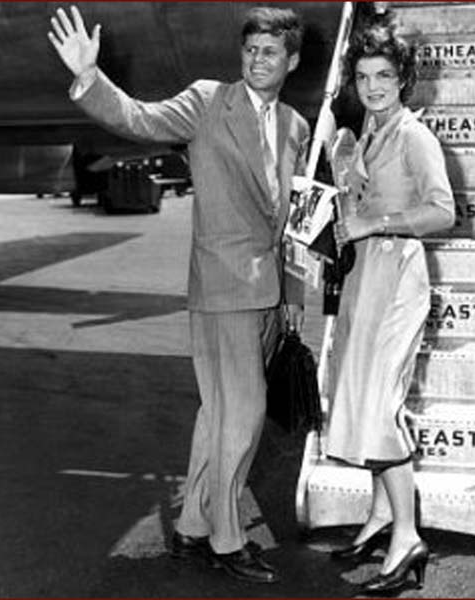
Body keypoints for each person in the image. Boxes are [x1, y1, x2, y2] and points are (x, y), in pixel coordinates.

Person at [48, 5, 309, 584]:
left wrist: (292, 295)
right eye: (249, 49)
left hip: (270, 293)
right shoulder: (208, 101)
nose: (256, 60)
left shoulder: (295, 125)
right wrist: (91, 79)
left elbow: (288, 221)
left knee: (219, 414)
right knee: (244, 413)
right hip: (222, 286)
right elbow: (139, 119)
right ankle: (226, 537)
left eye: (269, 52)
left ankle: (192, 526)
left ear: (291, 59)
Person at [324, 12, 455, 597]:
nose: (372, 86)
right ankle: (379, 517)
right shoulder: (371, 132)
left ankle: (408, 537)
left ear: (403, 77)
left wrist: (374, 221)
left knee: (379, 407)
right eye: (362, 76)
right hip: (364, 279)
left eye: (383, 75)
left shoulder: (413, 135)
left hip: (398, 276)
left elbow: (442, 211)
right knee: (361, 398)